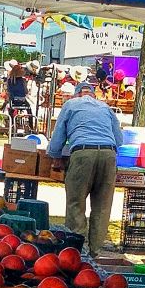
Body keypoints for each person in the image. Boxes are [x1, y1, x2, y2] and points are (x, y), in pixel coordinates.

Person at [47, 79, 123, 254]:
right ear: (94, 95)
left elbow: (58, 135)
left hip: (82, 154)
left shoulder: (71, 105)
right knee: (102, 206)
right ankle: (95, 251)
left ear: (77, 93)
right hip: (108, 154)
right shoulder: (105, 107)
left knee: (76, 203)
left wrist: (55, 155)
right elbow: (119, 140)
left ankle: (77, 251)